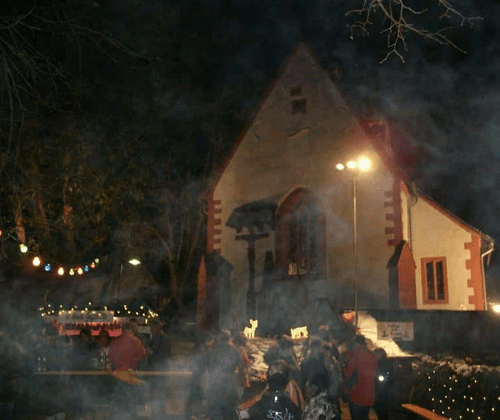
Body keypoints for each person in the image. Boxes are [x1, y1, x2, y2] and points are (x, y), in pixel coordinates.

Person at [108, 320, 148, 420]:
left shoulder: (116, 340)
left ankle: (114, 417)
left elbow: (111, 357)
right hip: (129, 375)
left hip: (117, 373)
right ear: (133, 329)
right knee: (130, 400)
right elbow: (142, 354)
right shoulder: (135, 340)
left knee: (116, 400)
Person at [238, 359, 302, 420]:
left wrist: (240, 412)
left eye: (272, 371)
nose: (270, 374)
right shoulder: (292, 405)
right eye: (270, 371)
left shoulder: (290, 388)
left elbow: (246, 413)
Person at [205, 329, 242, 420]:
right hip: (229, 380)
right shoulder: (235, 350)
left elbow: (209, 364)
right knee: (229, 407)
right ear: (229, 338)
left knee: (215, 407)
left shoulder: (214, 350)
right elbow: (238, 363)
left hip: (217, 380)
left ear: (220, 338)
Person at [342, 335, 377, 420]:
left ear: (356, 343)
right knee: (365, 416)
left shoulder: (354, 355)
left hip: (356, 394)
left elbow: (348, 374)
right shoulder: (372, 355)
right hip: (369, 395)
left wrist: (345, 390)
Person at [232, 332, 253, 402]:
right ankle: (238, 400)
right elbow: (246, 360)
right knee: (239, 390)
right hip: (241, 373)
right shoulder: (241, 349)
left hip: (232, 372)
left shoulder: (231, 348)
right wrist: (251, 363)